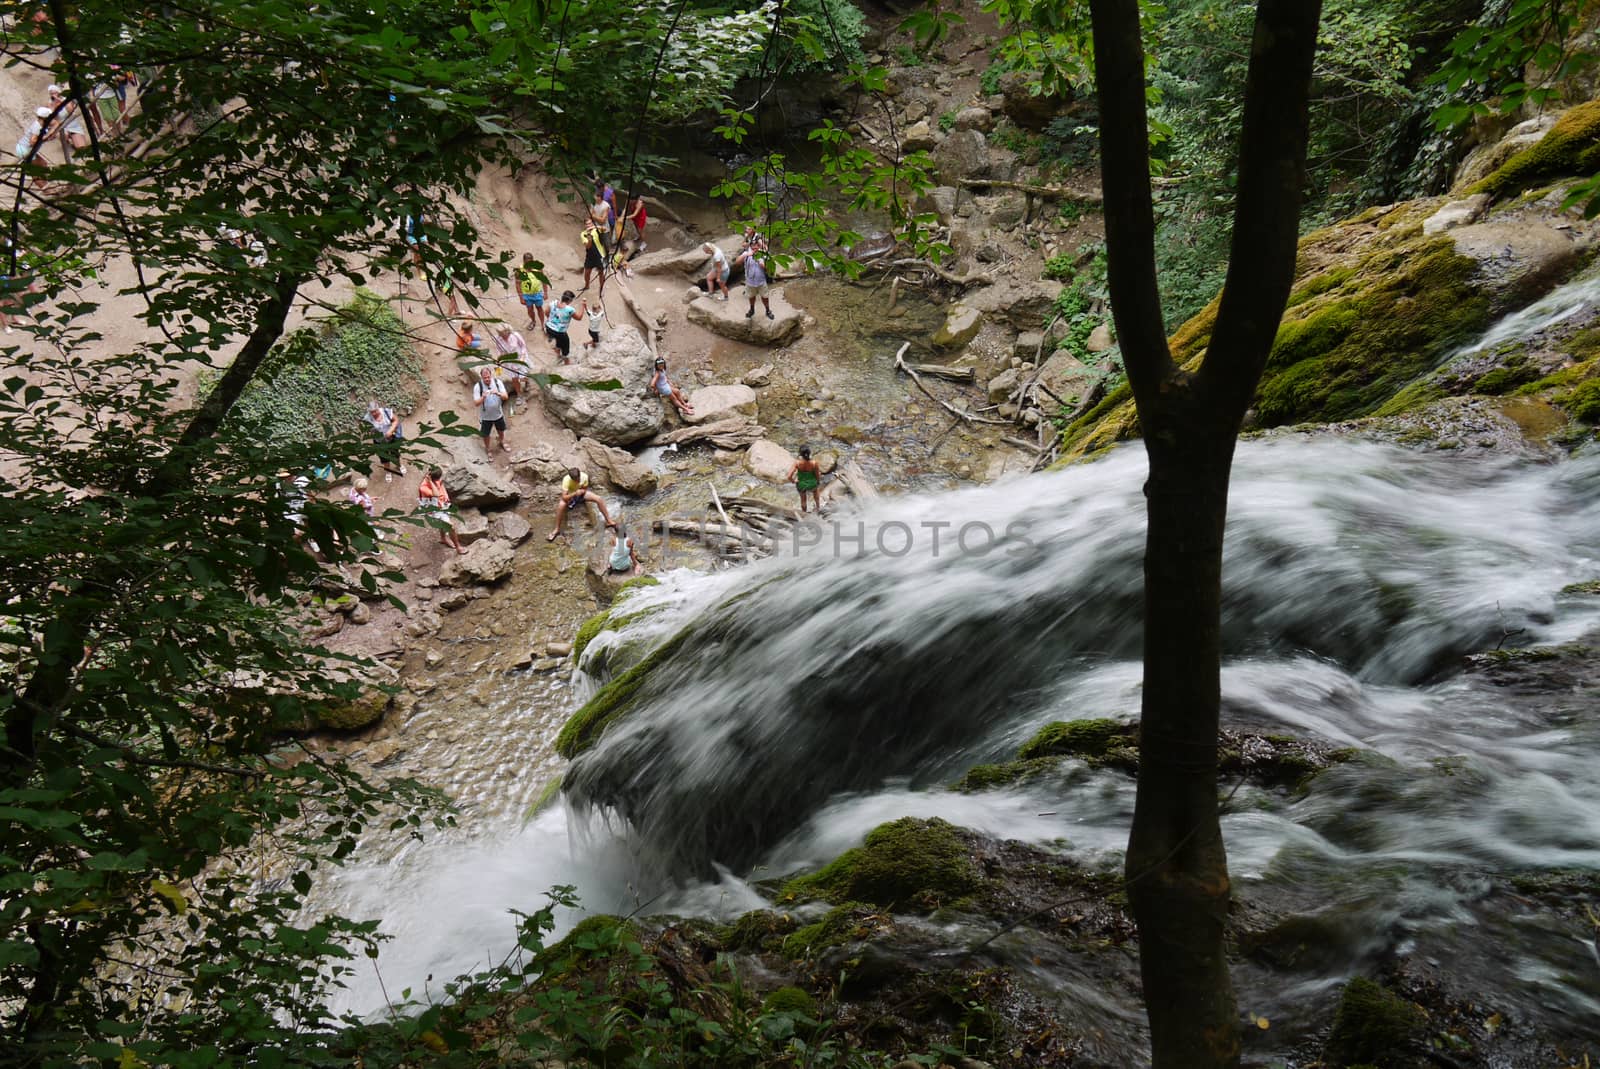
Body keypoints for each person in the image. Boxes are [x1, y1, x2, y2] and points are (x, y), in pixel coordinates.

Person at [547, 467, 613, 541]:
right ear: (571, 478)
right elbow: (564, 497)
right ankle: (557, 529)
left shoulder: (584, 476)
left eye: (578, 479)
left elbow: (585, 488)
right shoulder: (566, 480)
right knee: (561, 505)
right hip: (570, 495)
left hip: (580, 494)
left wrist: (581, 492)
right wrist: (575, 494)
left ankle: (608, 521)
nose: (577, 481)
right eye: (575, 480)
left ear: (580, 475)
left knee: (599, 499)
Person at [418, 466, 466, 554]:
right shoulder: (423, 487)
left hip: (441, 505)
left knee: (443, 524)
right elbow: (436, 494)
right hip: (433, 510)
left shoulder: (437, 480)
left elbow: (442, 488)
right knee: (451, 527)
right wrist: (430, 482)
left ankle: (443, 538)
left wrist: (447, 501)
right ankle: (458, 547)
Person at [364, 399, 405, 476]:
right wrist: (370, 432)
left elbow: (396, 420)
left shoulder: (386, 412)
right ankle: (388, 471)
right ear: (369, 411)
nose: (374, 413)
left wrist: (390, 430)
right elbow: (366, 430)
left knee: (395, 453)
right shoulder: (367, 418)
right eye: (372, 412)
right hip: (379, 441)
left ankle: (399, 466)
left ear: (378, 408)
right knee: (384, 457)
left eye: (375, 411)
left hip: (392, 438)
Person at [474, 364, 509, 454]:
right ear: (481, 377)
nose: (487, 379)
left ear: (491, 375)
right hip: (485, 417)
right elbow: (476, 403)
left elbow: (505, 397)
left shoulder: (497, 383)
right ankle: (488, 449)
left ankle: (502, 441)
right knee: (486, 434)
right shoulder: (478, 386)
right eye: (484, 378)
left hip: (498, 413)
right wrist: (483, 397)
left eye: (488, 377)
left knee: (501, 430)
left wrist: (498, 393)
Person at [492, 324, 530, 407]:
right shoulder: (498, 339)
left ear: (507, 330)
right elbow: (498, 350)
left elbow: (523, 346)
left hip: (519, 358)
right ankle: (519, 395)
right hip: (509, 361)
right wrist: (499, 359)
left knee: (523, 376)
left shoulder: (515, 335)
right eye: (500, 333)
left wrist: (523, 357)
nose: (502, 335)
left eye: (503, 333)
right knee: (514, 378)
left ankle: (527, 382)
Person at [738, 240, 775, 320]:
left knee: (765, 297)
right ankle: (752, 309)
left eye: (757, 245)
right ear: (750, 246)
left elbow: (771, 269)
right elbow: (737, 262)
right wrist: (747, 255)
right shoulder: (747, 254)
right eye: (753, 245)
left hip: (761, 281)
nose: (755, 247)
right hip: (750, 282)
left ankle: (768, 310)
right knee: (751, 296)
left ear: (759, 246)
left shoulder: (764, 255)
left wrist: (764, 266)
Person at [544, 290, 584, 364]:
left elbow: (546, 312)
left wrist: (551, 322)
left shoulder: (553, 303)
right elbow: (579, 318)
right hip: (560, 332)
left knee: (556, 342)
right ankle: (566, 361)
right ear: (569, 300)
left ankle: (558, 355)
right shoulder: (569, 310)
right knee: (565, 348)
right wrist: (583, 306)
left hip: (549, 327)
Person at [516, 252, 547, 330]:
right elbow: (518, 284)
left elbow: (544, 280)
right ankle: (533, 321)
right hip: (526, 294)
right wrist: (521, 297)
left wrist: (545, 293)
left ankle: (543, 324)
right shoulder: (520, 270)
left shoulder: (538, 268)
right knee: (530, 310)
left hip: (537, 293)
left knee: (539, 308)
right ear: (524, 262)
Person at [787, 446, 822, 514]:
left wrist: (794, 481)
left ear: (800, 454)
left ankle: (804, 513)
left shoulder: (797, 463)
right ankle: (818, 508)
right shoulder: (814, 463)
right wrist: (818, 482)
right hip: (812, 483)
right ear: (809, 453)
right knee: (816, 494)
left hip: (801, 485)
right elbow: (817, 475)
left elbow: (789, 476)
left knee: (803, 500)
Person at [580, 222, 607, 293]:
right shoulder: (583, 233)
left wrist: (595, 227)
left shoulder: (596, 230)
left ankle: (601, 288)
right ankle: (586, 286)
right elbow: (588, 246)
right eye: (587, 224)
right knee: (587, 273)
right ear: (585, 225)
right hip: (590, 256)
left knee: (601, 273)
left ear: (592, 224)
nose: (588, 225)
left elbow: (605, 229)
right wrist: (590, 240)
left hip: (600, 255)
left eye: (590, 223)